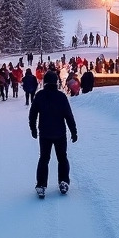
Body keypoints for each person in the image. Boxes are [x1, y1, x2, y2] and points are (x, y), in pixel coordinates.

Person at [28, 70, 77, 198]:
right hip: (60, 133)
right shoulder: (61, 96)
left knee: (44, 158)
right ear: (56, 82)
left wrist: (33, 128)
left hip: (44, 133)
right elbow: (68, 115)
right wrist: (73, 131)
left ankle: (41, 185)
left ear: (45, 82)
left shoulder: (40, 95)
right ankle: (64, 182)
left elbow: (32, 114)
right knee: (62, 158)